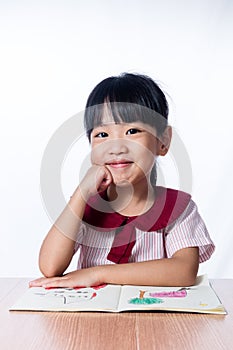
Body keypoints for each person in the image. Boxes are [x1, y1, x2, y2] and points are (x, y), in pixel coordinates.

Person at [30, 73, 215, 289]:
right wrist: (81, 193)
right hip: (92, 318)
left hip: (153, 320)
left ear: (163, 141)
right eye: (102, 135)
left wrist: (97, 274)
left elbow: (184, 271)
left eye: (132, 131)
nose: (116, 147)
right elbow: (50, 267)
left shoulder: (178, 208)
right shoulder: (87, 207)